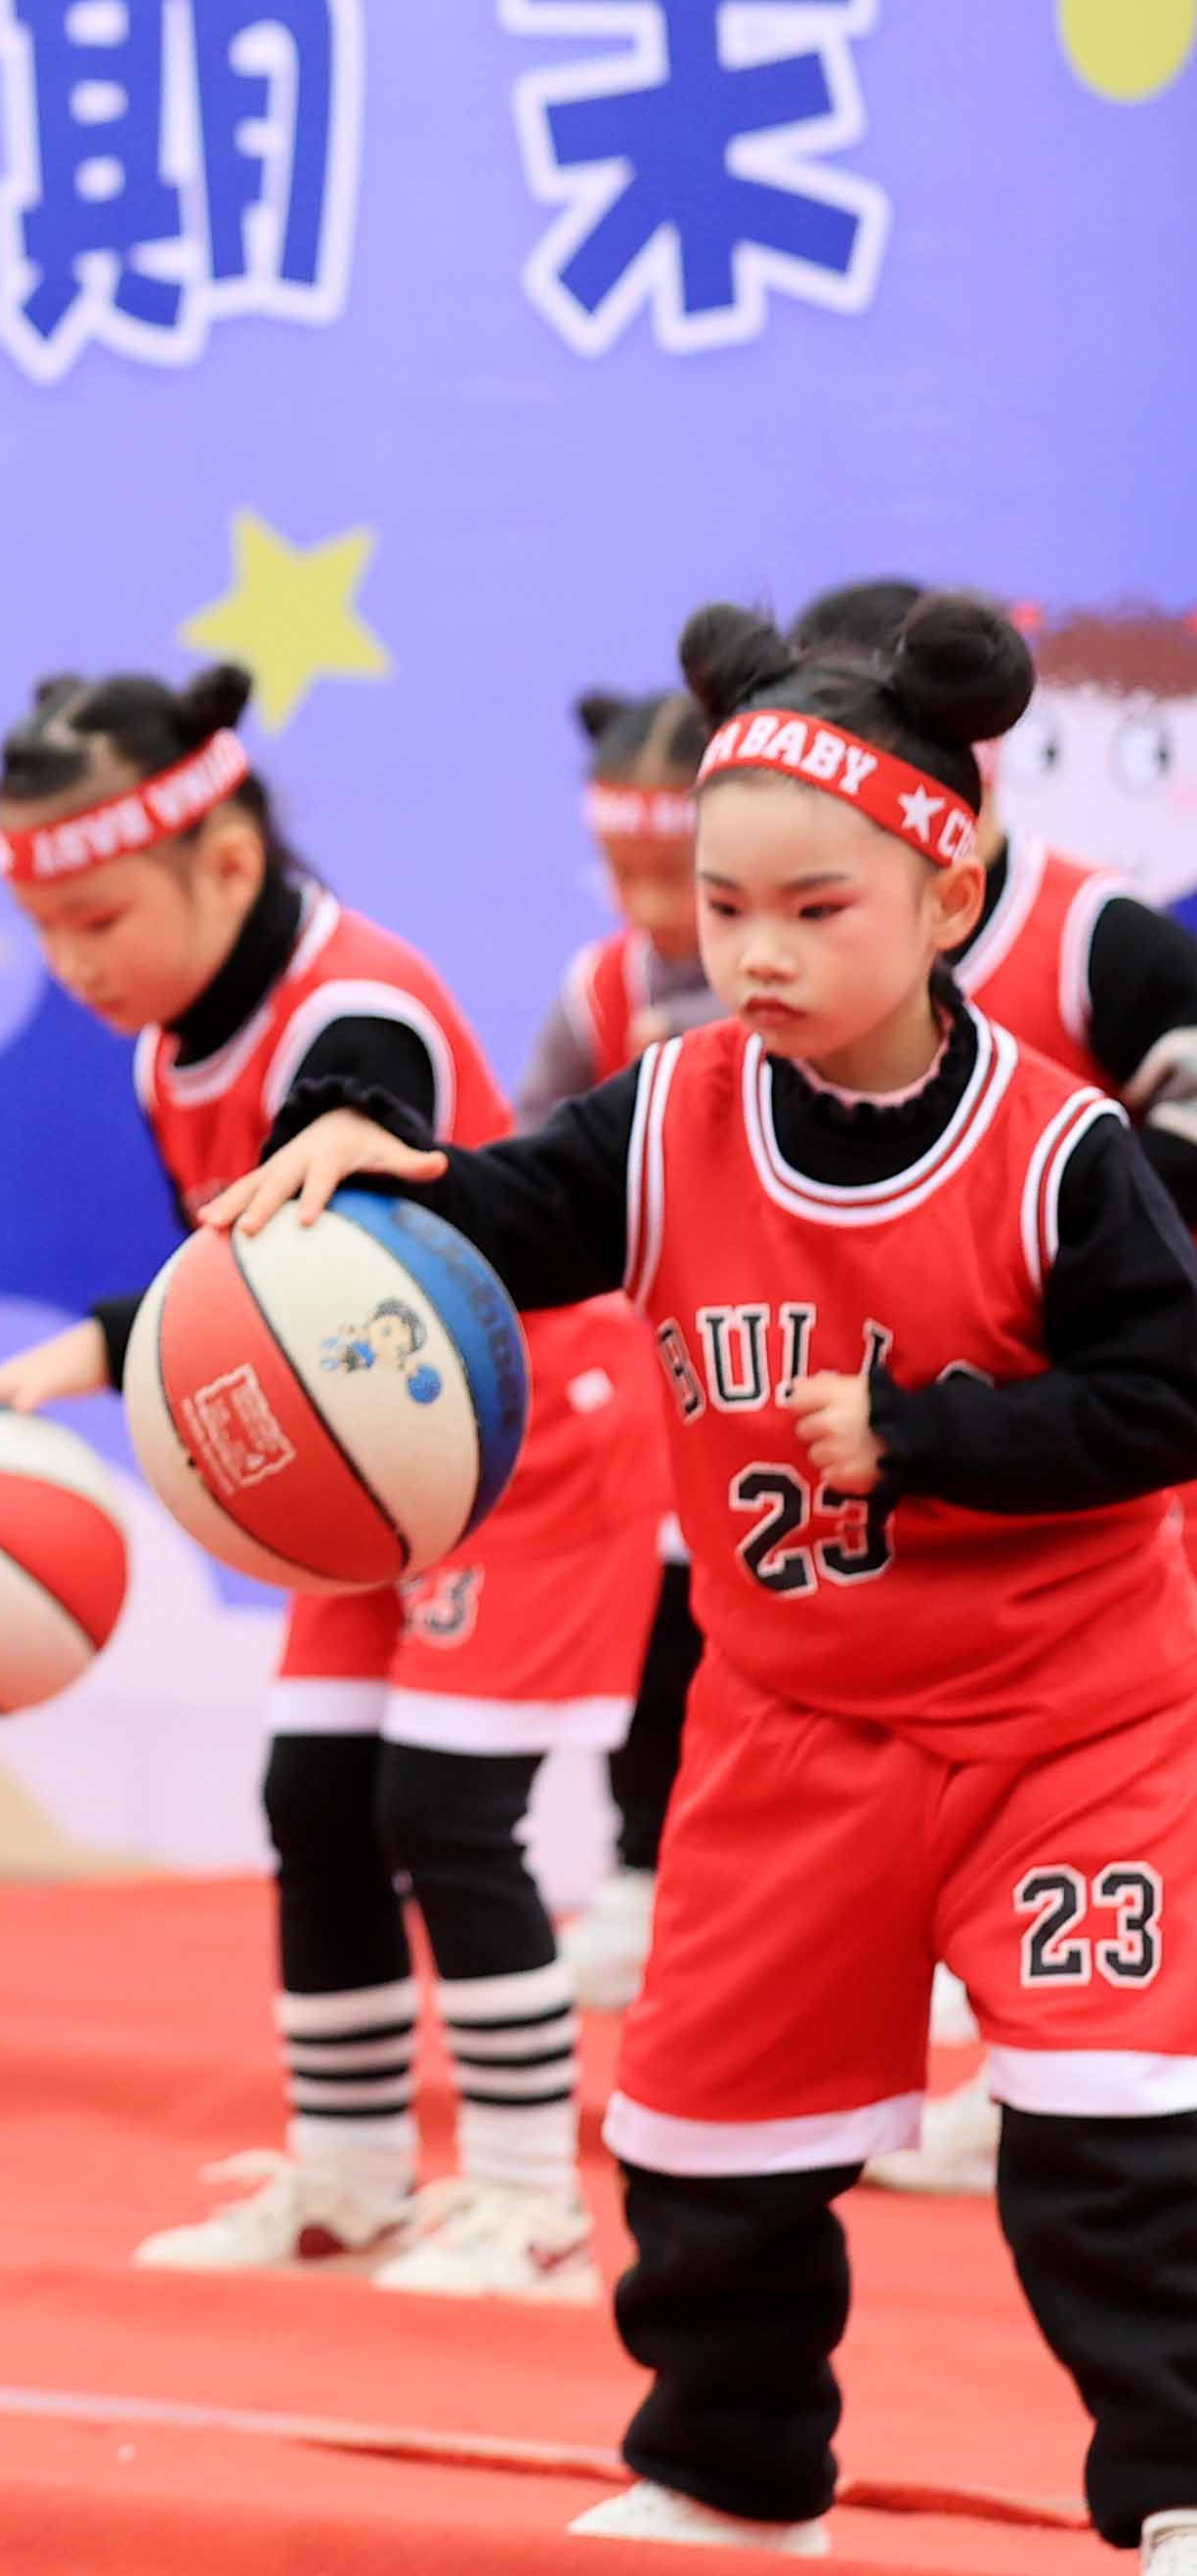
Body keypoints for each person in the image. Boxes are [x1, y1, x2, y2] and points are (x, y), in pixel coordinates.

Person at [206, 592, 1197, 2576]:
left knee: (1115, 2146)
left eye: (815, 907)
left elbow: (1170, 1397)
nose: (753, 948)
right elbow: (507, 1208)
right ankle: (736, 2470)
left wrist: (934, 1442)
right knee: (704, 2150)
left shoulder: (1058, 1152)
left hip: (1072, 1728)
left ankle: (1187, 2482)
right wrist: (367, 1171)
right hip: (792, 1723)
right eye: (724, 903)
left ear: (950, 890)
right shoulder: (668, 1116)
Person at [0, 665, 650, 2302]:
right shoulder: (157, 1054)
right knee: (313, 1800)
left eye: (97, 916)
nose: (73, 963)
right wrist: (73, 1358)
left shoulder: (349, 1010)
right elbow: (236, 1294)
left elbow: (336, 1218)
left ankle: (529, 2197)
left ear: (228, 863)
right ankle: (348, 2176)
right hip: (370, 1457)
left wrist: (104, 1348)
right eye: (44, 930)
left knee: (444, 1813)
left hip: (516, 1442)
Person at [792, 574, 1197, 2198]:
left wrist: (1103, 1264)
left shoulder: (1086, 931)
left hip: (1097, 1440)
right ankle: (1005, 2054)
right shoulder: (796, 949)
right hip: (922, 1474)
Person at [520, 684, 723, 2027]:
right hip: (662, 1390)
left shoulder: (829, 975)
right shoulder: (600, 990)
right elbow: (533, 1156)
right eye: (625, 871)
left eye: (678, 873)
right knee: (658, 1653)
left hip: (822, 1384)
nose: (651, 902)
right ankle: (650, 1881)